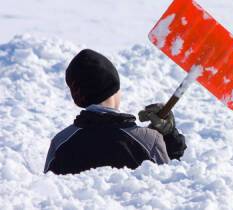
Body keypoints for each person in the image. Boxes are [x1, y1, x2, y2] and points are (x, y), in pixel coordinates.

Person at [44, 49, 187, 175]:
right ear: (115, 89)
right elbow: (170, 185)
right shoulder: (149, 140)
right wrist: (168, 136)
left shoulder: (60, 143)